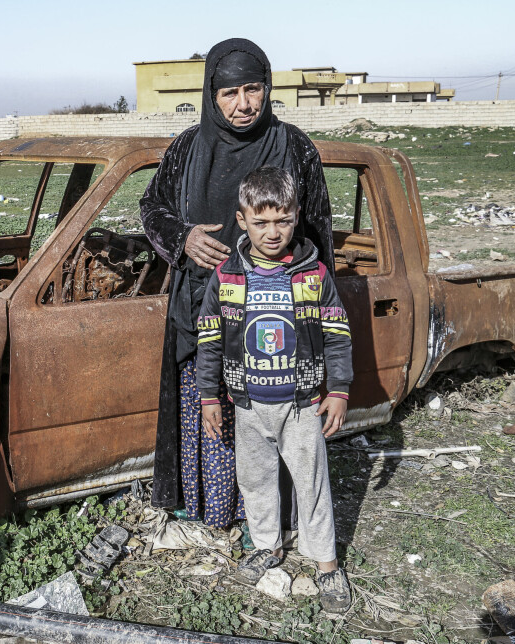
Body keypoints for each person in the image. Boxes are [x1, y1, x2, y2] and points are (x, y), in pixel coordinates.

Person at [141, 37, 335, 533]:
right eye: (229, 93)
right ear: (211, 95)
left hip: (277, 319)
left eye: (253, 89)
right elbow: (152, 206)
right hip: (203, 309)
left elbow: (318, 232)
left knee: (271, 420)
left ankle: (264, 524)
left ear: (268, 89)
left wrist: (316, 320)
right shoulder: (187, 147)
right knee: (209, 411)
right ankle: (212, 510)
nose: (243, 104)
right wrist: (182, 238)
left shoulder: (294, 146)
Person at [196, 165, 352, 612]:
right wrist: (210, 396)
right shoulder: (226, 276)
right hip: (246, 404)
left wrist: (338, 389)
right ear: (242, 220)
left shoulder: (314, 274)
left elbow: (337, 334)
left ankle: (327, 563)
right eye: (260, 222)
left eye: (282, 220)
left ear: (297, 216)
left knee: (312, 482)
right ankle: (267, 545)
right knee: (256, 480)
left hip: (302, 404)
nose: (272, 232)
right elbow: (208, 337)